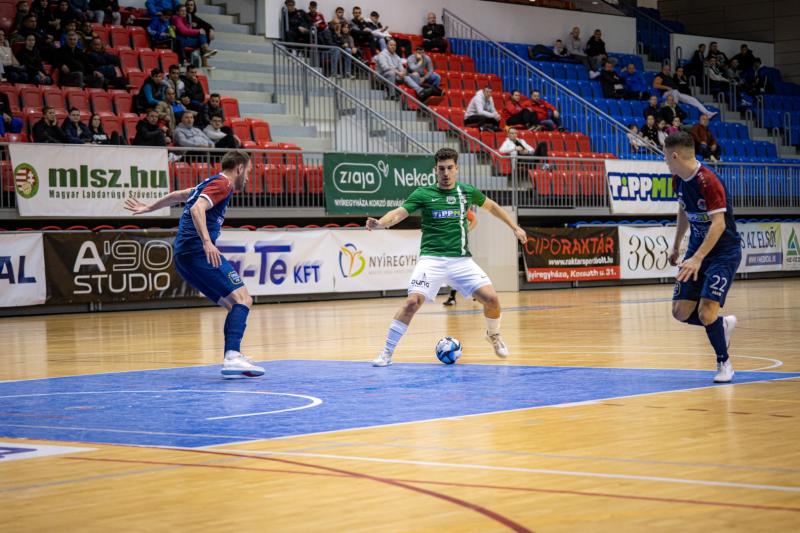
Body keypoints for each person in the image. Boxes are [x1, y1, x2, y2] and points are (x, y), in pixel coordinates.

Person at [367, 147, 528, 366]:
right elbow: (399, 213)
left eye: (450, 168)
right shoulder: (423, 194)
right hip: (431, 259)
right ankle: (386, 353)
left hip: (461, 260)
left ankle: (493, 335)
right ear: (435, 170)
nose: (445, 173)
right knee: (412, 302)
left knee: (492, 299)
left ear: (456, 169)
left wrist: (515, 227)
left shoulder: (466, 192)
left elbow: (492, 207)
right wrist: (380, 223)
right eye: (441, 168)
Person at [124, 150, 264, 379]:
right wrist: (207, 242)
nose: (248, 177)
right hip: (197, 252)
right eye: (248, 171)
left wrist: (149, 208)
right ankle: (232, 357)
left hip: (183, 257)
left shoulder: (208, 182)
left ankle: (234, 354)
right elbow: (196, 207)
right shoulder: (223, 184)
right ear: (239, 168)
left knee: (234, 304)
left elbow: (180, 195)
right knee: (244, 299)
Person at [665, 131, 740, 383]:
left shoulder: (709, 182)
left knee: (706, 312)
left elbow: (718, 225)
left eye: (666, 157)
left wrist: (697, 258)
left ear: (674, 155)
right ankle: (722, 326)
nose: (665, 161)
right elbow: (684, 212)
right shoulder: (679, 181)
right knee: (680, 311)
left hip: (722, 253)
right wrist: (676, 246)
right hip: (696, 251)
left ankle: (724, 363)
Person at [443, 209, 477, 306]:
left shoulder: (462, 207)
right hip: (447, 245)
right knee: (454, 272)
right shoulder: (442, 207)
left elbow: (474, 221)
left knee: (458, 271)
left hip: (458, 246)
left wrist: (466, 230)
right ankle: (473, 291)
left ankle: (474, 291)